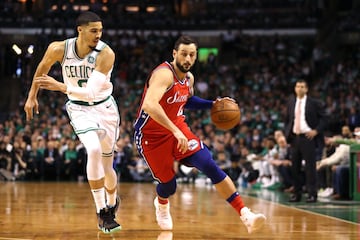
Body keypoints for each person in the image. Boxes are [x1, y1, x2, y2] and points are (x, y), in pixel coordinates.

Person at [133, 35, 266, 234]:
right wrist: (175, 131)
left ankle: (246, 215)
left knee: (208, 164)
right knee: (169, 186)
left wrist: (213, 105)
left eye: (192, 55)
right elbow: (149, 105)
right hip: (151, 136)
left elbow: (186, 100)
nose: (187, 59)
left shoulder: (189, 78)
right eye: (184, 54)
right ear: (174, 53)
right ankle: (161, 203)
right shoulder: (164, 74)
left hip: (178, 128)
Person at [23, 11, 121, 233]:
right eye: (94, 30)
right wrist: (31, 96)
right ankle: (102, 212)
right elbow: (42, 68)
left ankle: (113, 201)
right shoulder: (59, 48)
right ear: (80, 29)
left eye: (101, 30)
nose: (99, 35)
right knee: (93, 149)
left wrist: (60, 86)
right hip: (78, 108)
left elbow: (91, 92)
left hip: (104, 108)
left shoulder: (106, 54)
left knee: (107, 164)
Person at [284, 79, 327, 203]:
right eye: (297, 86)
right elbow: (287, 119)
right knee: (295, 167)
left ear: (306, 89)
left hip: (308, 138)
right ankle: (296, 194)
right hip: (295, 138)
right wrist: (287, 133)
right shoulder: (291, 102)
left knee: (310, 168)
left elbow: (324, 119)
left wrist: (316, 131)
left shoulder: (314, 103)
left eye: (302, 86)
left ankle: (312, 194)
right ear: (295, 88)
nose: (299, 89)